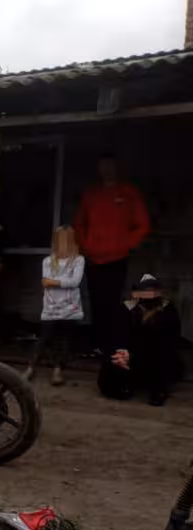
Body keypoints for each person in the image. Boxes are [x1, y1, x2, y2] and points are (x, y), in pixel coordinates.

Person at [73, 154, 150, 354]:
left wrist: (124, 244)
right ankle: (97, 345)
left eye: (110, 165)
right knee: (96, 301)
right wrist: (86, 246)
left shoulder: (128, 193)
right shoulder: (91, 194)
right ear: (98, 168)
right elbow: (79, 224)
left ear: (117, 167)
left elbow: (142, 225)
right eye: (103, 165)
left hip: (117, 258)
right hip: (93, 259)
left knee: (113, 302)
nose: (107, 169)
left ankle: (112, 345)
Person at [98, 274, 181, 406]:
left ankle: (158, 391)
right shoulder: (127, 308)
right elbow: (118, 332)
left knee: (162, 359)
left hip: (156, 352)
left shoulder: (167, 310)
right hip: (132, 351)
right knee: (113, 361)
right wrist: (122, 350)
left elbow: (171, 338)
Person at [23, 226, 85, 386]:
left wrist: (54, 281)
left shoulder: (78, 260)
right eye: (59, 240)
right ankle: (30, 368)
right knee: (43, 339)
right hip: (50, 307)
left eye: (66, 239)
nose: (62, 243)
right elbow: (45, 282)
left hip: (70, 308)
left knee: (63, 341)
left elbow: (75, 282)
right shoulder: (48, 261)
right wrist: (60, 282)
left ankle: (58, 371)